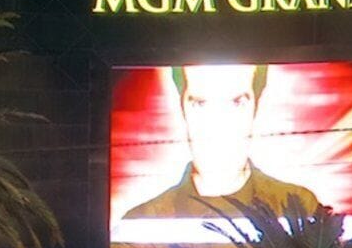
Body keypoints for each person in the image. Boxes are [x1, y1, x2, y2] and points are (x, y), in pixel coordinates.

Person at [126, 64, 322, 223]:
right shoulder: (141, 222)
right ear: (182, 108)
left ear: (256, 106)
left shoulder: (299, 206)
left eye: (236, 103)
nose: (218, 123)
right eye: (201, 103)